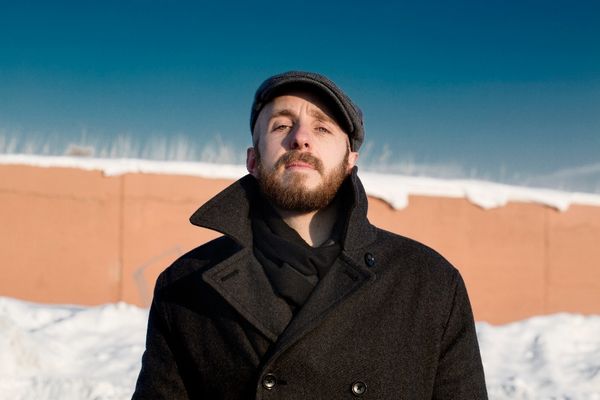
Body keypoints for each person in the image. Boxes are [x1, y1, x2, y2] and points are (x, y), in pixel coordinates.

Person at [133, 71, 488, 399]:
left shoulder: (430, 283)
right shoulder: (185, 285)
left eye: (322, 128)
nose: (300, 138)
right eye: (281, 125)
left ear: (350, 161)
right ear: (253, 160)